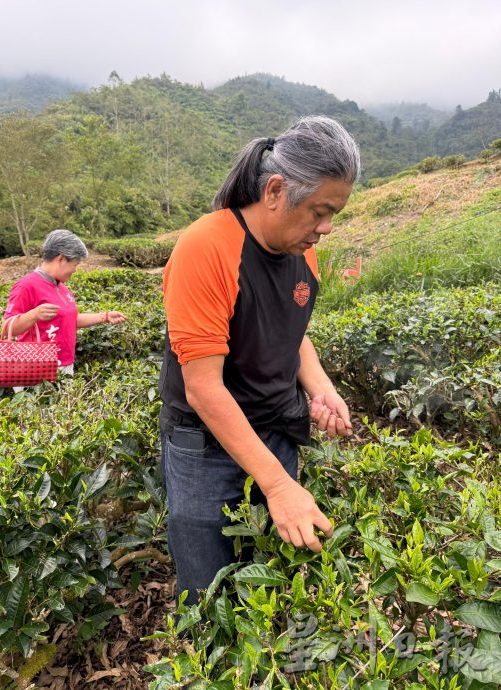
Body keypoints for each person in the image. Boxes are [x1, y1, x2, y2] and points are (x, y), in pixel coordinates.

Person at [159, 116, 360, 605]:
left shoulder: (302, 251)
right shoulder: (206, 247)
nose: (326, 228)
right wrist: (278, 485)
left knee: (268, 575)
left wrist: (322, 388)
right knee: (210, 596)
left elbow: (292, 334)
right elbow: (203, 387)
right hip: (207, 447)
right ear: (274, 191)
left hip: (274, 432)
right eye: (320, 211)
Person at [2, 229, 127, 378]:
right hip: (35, 369)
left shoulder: (61, 287)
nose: (75, 269)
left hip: (65, 365)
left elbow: (69, 320)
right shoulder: (26, 286)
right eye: (75, 264)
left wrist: (105, 316)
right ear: (60, 259)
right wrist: (33, 315)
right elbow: (7, 328)